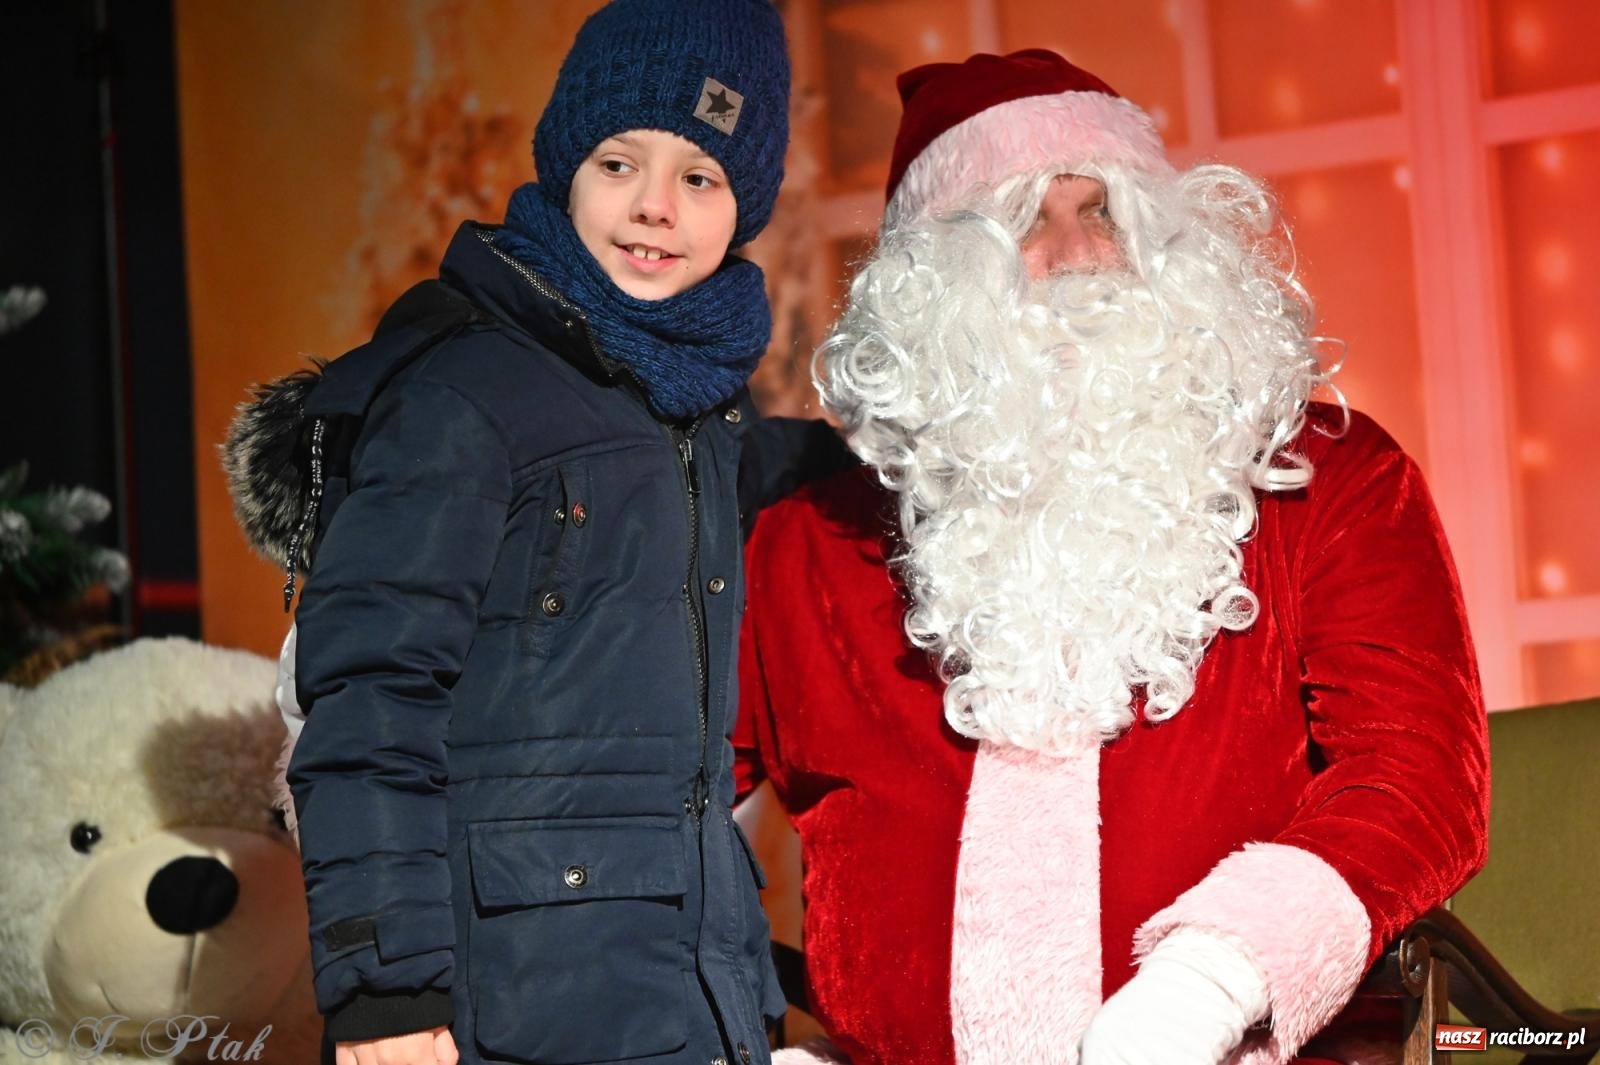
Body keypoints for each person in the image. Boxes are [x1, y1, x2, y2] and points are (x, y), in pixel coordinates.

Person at [737, 50, 1489, 1065]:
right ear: (927, 290)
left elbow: (1418, 777)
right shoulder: (808, 549)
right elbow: (645, 800)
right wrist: (737, 1026)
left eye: (1105, 212)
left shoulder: (1325, 480)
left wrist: (1209, 981)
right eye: (1018, 222)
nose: (1077, 253)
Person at [225, 3, 795, 1064]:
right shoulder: (463, 394)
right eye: (621, 163)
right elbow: (369, 703)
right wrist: (387, 992)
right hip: (511, 1010)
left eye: (701, 178)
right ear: (565, 166)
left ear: (742, 208)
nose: (655, 209)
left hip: (695, 999)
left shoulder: (706, 413)